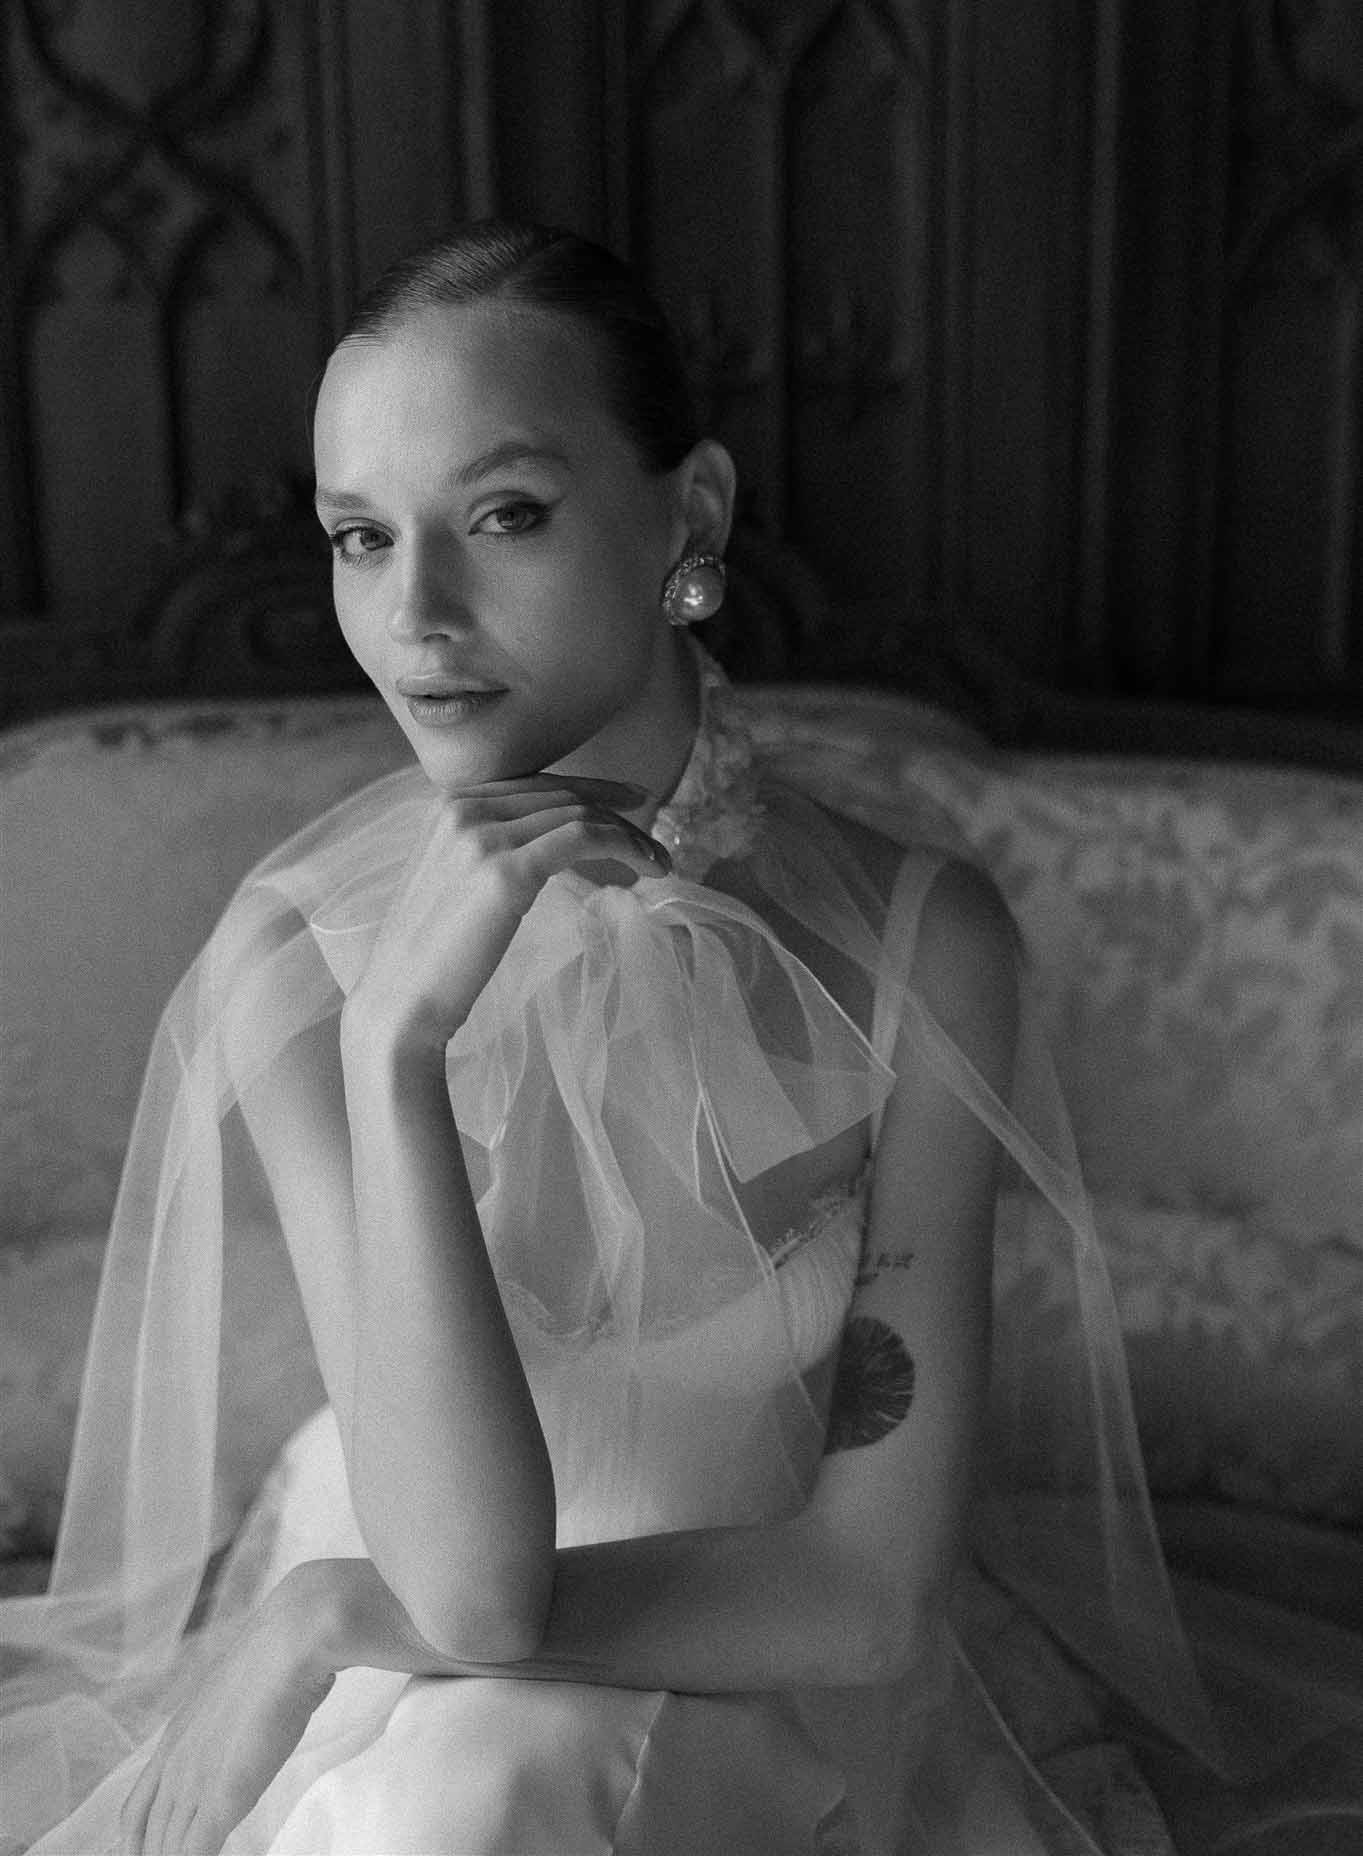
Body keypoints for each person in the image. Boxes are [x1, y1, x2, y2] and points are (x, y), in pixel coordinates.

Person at [1, 224, 1229, 1854]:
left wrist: (323, 1620)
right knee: (470, 1784)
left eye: (503, 514)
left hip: (766, 1660)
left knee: (493, 1784)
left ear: (691, 514)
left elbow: (866, 1602)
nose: (416, 612)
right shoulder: (296, 963)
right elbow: (476, 1587)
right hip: (427, 1623)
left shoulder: (928, 943)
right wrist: (398, 1055)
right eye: (361, 537)